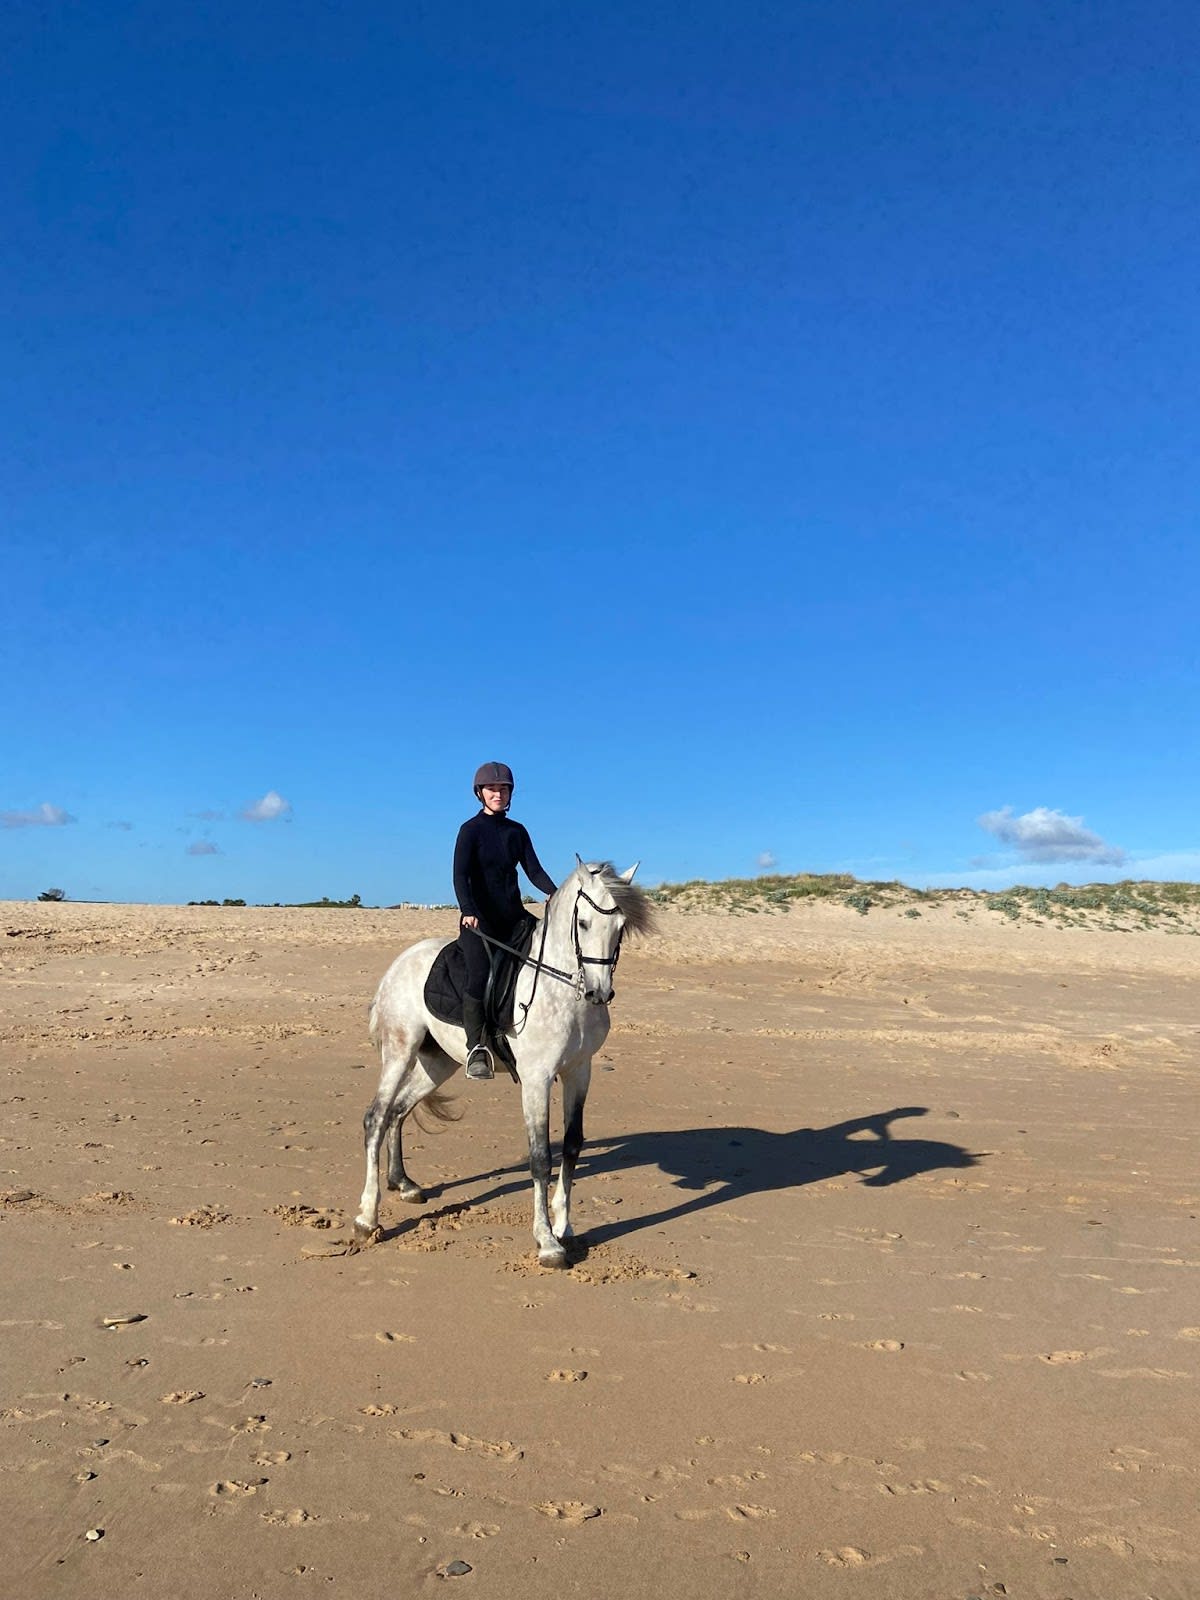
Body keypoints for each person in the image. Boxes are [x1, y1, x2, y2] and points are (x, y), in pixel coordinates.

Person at [453, 762, 556, 1079]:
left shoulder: (517, 831)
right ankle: (476, 1048)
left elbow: (534, 871)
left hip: (514, 918)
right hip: (479, 922)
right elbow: (460, 875)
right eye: (492, 789)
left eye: (503, 788)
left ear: (510, 793)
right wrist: (468, 910)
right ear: (480, 793)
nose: (498, 794)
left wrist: (555, 893)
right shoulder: (470, 831)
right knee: (479, 976)